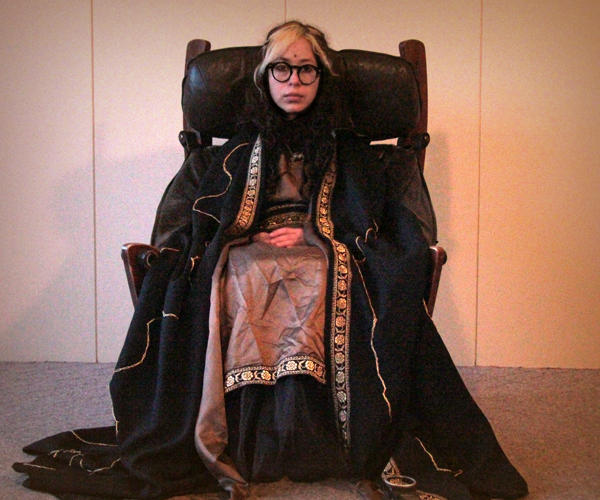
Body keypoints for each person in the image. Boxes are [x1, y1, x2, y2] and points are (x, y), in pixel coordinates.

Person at [14, 21, 527, 500]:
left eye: (306, 69)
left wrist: (314, 233)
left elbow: (374, 217)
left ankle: (319, 436)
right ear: (265, 77)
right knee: (240, 271)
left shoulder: (350, 149)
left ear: (321, 78)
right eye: (282, 68)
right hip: (249, 246)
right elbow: (207, 215)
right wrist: (246, 233)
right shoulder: (240, 148)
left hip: (329, 250)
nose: (294, 81)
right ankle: (248, 437)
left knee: (314, 272)